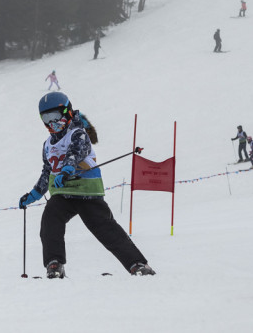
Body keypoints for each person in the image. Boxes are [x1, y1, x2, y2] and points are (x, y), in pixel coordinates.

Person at [18, 92, 154, 278]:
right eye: (46, 118)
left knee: (104, 227)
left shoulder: (79, 134)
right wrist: (33, 194)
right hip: (63, 194)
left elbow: (75, 153)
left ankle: (137, 264)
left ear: (67, 112)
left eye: (55, 116)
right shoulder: (48, 144)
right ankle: (54, 264)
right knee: (50, 221)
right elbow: (47, 172)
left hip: (87, 193)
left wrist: (66, 170)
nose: (52, 123)